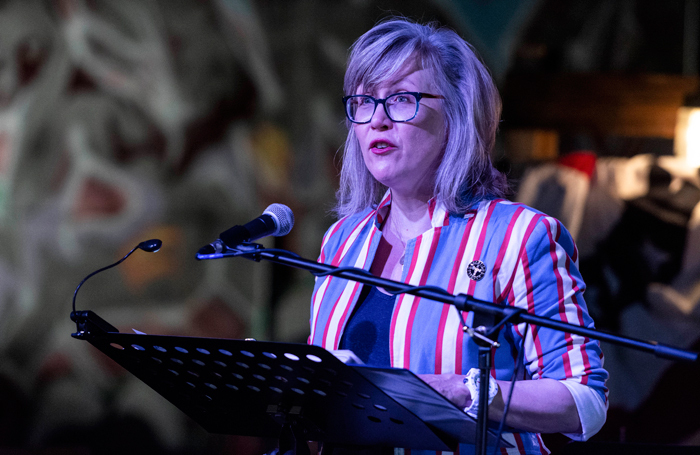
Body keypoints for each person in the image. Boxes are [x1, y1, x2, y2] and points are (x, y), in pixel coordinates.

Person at [308, 18, 608, 455]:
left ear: (456, 113)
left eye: (401, 100)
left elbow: (584, 399)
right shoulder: (341, 241)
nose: (378, 120)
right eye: (364, 102)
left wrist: (467, 392)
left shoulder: (518, 236)